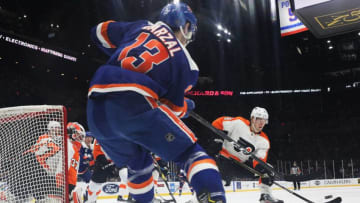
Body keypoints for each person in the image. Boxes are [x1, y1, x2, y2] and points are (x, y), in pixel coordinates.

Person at [87, 2, 225, 203]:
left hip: (96, 104)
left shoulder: (141, 26)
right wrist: (187, 107)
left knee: (138, 162)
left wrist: (123, 53)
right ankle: (215, 198)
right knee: (189, 153)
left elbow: (98, 32)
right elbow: (170, 109)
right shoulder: (189, 66)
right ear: (186, 27)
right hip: (135, 101)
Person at [212, 107, 284, 203]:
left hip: (242, 165)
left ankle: (265, 196)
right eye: (259, 119)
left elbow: (259, 161)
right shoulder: (239, 123)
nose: (261, 123)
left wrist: (262, 169)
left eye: (264, 120)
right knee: (220, 182)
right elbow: (216, 123)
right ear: (252, 118)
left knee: (268, 169)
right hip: (225, 159)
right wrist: (218, 134)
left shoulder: (264, 141)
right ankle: (198, 199)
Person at [66, 122, 86, 202]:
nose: (79, 138)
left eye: (80, 136)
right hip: (65, 182)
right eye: (77, 135)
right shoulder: (68, 146)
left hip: (71, 182)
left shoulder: (74, 148)